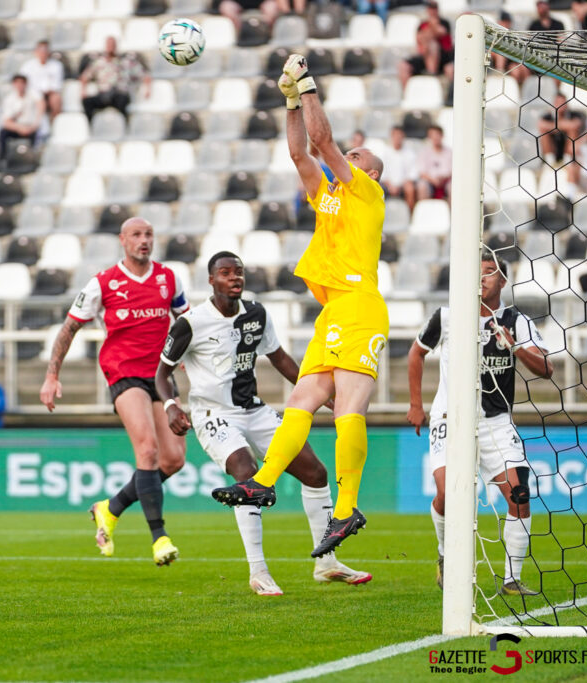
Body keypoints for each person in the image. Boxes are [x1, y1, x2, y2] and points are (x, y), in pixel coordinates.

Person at [211, 54, 388, 559]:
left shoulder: (367, 194)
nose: (342, 161)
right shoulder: (332, 200)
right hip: (334, 311)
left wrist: (308, 84)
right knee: (301, 402)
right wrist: (291, 101)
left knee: (347, 410)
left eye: (354, 157)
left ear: (369, 171)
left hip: (361, 305)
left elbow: (323, 142)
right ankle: (262, 483)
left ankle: (347, 506)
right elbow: (300, 153)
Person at [158, 252, 371, 595]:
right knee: (247, 471)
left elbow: (281, 359)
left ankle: (327, 563)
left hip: (254, 411)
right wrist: (171, 405)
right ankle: (258, 571)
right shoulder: (191, 323)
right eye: (225, 273)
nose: (234, 278)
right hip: (214, 414)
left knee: (315, 474)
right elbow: (163, 372)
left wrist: (324, 395)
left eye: (238, 272)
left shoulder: (256, 314)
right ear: (211, 281)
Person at [41, 217, 189, 566]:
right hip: (124, 373)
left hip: (161, 375)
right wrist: (52, 376)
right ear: (123, 240)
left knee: (174, 459)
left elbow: (187, 323)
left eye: (149, 234)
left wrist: (188, 357)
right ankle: (159, 539)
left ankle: (110, 508)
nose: (144, 240)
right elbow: (69, 329)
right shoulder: (103, 283)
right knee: (148, 451)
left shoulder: (169, 279)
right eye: (136, 235)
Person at [407, 254, 553, 595]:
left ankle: (511, 580)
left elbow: (547, 369)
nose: (483, 278)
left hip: (496, 422)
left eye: (490, 273)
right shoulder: (448, 316)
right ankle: (445, 555)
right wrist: (416, 404)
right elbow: (416, 353)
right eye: (478, 273)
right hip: (450, 417)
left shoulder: (517, 320)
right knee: (448, 493)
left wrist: (514, 346)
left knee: (519, 494)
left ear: (503, 281)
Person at [79, 36, 150, 122]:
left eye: (112, 45)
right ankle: (91, 125)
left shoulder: (126, 62)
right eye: (109, 45)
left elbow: (144, 75)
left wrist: (147, 89)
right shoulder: (99, 62)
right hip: (103, 94)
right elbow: (85, 76)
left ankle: (124, 125)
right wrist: (83, 90)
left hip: (119, 94)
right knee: (87, 102)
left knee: (122, 101)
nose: (110, 47)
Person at [398, 1, 453, 88]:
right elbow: (420, 38)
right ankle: (407, 93)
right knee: (403, 66)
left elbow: (441, 33)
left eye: (434, 7)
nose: (432, 10)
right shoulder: (422, 24)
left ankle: (431, 74)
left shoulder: (444, 22)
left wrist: (432, 26)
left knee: (433, 45)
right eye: (430, 8)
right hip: (425, 55)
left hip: (443, 57)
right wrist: (431, 30)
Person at [0, 73, 44, 156]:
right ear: (13, 84)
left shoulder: (32, 96)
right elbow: (6, 122)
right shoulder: (9, 99)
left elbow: (40, 108)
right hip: (17, 128)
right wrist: (20, 128)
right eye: (17, 83)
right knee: (3, 133)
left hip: (31, 127)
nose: (19, 85)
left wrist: (31, 128)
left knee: (37, 134)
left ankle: (32, 158)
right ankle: (3, 158)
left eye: (22, 83)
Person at [19, 40, 63, 122]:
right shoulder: (27, 66)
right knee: (39, 100)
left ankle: (56, 123)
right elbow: (23, 83)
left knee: (56, 99)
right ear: (36, 51)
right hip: (32, 93)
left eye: (45, 50)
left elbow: (56, 85)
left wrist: (46, 91)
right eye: (41, 50)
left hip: (49, 93)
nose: (43, 53)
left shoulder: (56, 65)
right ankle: (37, 124)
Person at [381, 125, 417, 212]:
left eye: (399, 135)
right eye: (395, 135)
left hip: (404, 184)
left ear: (403, 136)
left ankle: (410, 215)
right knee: (376, 188)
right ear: (391, 136)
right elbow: (382, 173)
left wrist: (401, 185)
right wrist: (390, 185)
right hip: (387, 184)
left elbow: (413, 173)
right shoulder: (384, 152)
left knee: (410, 188)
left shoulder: (410, 153)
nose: (397, 138)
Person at [416, 125, 452, 201]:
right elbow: (422, 172)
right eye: (432, 135)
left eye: (437, 135)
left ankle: (451, 211)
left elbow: (451, 171)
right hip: (429, 182)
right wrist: (433, 180)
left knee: (453, 187)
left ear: (442, 136)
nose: (435, 138)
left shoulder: (449, 152)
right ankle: (424, 211)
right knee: (422, 186)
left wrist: (442, 178)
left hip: (445, 182)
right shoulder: (424, 152)